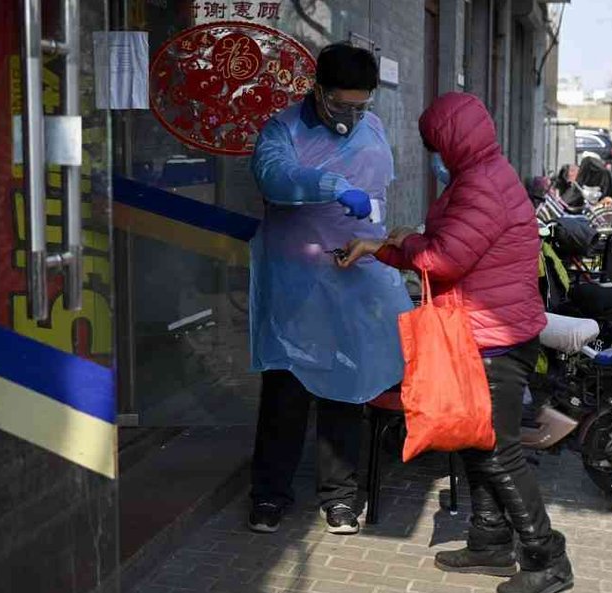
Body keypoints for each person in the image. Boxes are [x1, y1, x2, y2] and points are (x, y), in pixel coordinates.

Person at [339, 92, 573, 593]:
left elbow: (444, 260)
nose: (436, 158)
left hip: (496, 340)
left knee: (499, 452)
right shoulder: (480, 176)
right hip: (486, 332)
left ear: (451, 142)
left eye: (436, 148)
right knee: (474, 440)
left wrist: (404, 242)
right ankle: (489, 542)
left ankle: (546, 559)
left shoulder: (481, 186)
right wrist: (390, 247)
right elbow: (442, 252)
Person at [246, 43, 412, 535]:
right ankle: (270, 495)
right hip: (297, 282)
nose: (352, 115)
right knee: (287, 389)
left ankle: (340, 497)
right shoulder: (284, 130)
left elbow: (380, 184)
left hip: (355, 274)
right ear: (318, 92)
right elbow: (274, 177)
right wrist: (333, 187)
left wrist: (376, 223)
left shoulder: (373, 126)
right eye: (343, 105)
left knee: (348, 385)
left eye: (362, 106)